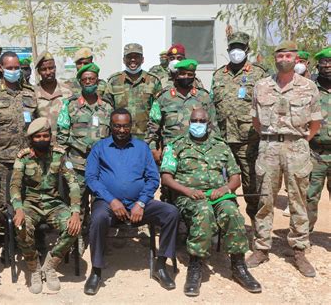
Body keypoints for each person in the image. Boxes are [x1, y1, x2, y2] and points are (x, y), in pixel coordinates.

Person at [161, 108, 261, 296]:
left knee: (232, 213)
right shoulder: (175, 145)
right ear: (189, 122)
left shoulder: (221, 146)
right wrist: (188, 191)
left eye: (201, 120)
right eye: (194, 120)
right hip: (189, 196)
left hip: (219, 195)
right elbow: (166, 178)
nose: (197, 124)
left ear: (209, 124)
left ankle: (238, 265)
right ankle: (196, 265)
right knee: (204, 212)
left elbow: (235, 177)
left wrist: (225, 189)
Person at [83, 108, 180, 295]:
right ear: (111, 126)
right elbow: (91, 178)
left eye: (125, 126)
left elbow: (153, 178)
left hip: (138, 204)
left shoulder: (142, 148)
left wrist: (142, 202)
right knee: (98, 217)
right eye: (117, 126)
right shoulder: (100, 147)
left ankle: (160, 266)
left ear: (131, 126)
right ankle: (96, 271)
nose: (121, 130)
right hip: (107, 203)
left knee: (171, 213)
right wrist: (112, 201)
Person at [246, 41, 322, 277]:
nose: (284, 59)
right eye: (280, 56)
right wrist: (272, 139)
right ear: (275, 59)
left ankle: (299, 250)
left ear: (296, 58)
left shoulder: (309, 87)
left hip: (297, 146)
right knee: (265, 198)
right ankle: (261, 247)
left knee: (298, 199)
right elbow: (256, 121)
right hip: (268, 146)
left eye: (289, 55)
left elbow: (315, 123)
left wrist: (299, 141)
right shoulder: (262, 86)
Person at [10, 117, 81, 294]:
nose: (42, 139)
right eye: (38, 137)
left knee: (73, 227)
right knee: (21, 226)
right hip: (30, 205)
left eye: (45, 136)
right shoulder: (23, 157)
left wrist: (75, 212)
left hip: (53, 204)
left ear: (50, 136)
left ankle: (50, 265)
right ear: (31, 139)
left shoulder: (59, 154)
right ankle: (34, 267)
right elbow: (15, 185)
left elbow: (72, 183)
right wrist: (18, 208)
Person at [0, 51, 37, 244]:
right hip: (1, 159)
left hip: (26, 158)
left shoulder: (29, 93)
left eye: (16, 68)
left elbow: (37, 125)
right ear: (1, 68)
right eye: (9, 68)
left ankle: (24, 237)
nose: (14, 71)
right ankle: (6, 240)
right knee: (3, 204)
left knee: (26, 199)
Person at [210, 32, 268, 223]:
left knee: (252, 185)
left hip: (248, 142)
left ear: (247, 50)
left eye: (240, 48)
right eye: (233, 48)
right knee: (223, 184)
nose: (236, 52)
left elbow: (267, 106)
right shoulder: (218, 75)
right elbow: (212, 106)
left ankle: (256, 226)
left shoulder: (259, 74)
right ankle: (229, 223)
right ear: (228, 50)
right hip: (222, 141)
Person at [57, 63, 113, 253]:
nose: (89, 82)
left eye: (92, 79)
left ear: (97, 81)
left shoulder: (107, 107)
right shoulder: (69, 106)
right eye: (85, 79)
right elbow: (62, 136)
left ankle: (98, 238)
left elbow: (113, 136)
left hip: (101, 166)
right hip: (77, 164)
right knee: (77, 203)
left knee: (100, 204)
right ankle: (77, 238)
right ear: (80, 82)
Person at [146, 59, 216, 165]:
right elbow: (152, 127)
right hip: (171, 153)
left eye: (189, 74)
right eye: (182, 74)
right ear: (177, 75)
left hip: (198, 152)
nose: (186, 77)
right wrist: (153, 149)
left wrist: (214, 151)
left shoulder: (203, 97)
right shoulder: (164, 98)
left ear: (194, 76)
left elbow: (213, 127)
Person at [104, 43, 162, 140]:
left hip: (147, 138)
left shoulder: (153, 80)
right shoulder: (114, 81)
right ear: (123, 60)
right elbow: (106, 109)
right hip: (119, 138)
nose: (133, 60)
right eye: (129, 57)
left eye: (137, 57)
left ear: (142, 59)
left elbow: (160, 110)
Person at [306, 47, 331, 232]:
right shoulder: (309, 88)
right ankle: (303, 237)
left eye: (330, 62)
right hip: (315, 153)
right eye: (324, 62)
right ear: (318, 65)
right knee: (310, 196)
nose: (328, 65)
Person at [33, 51, 73, 140]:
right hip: (42, 144)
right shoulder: (33, 93)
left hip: (64, 144)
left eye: (51, 68)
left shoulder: (68, 91)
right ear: (39, 72)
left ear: (55, 68)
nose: (48, 72)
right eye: (44, 69)